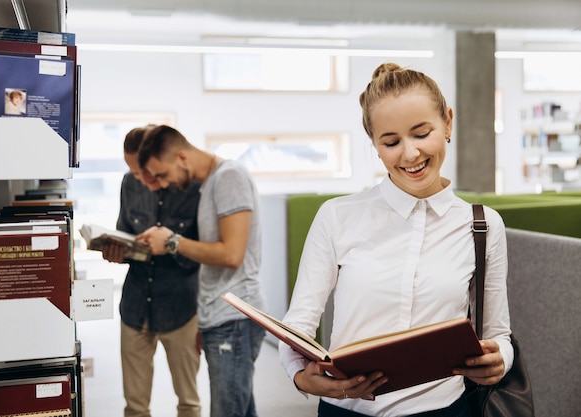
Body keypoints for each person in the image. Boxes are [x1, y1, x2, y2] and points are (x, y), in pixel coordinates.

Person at [278, 62, 514, 417]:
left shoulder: (482, 225)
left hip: (444, 410)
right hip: (348, 410)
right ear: (375, 144)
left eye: (421, 134)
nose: (410, 154)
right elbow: (298, 323)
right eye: (391, 141)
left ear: (448, 122)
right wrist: (300, 376)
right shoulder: (337, 216)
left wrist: (501, 360)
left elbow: (499, 335)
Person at [135, 125, 266, 417]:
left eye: (162, 174)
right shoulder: (210, 184)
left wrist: (171, 241)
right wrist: (204, 319)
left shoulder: (229, 177)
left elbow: (231, 254)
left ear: (181, 156)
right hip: (219, 319)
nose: (163, 184)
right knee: (241, 410)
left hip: (235, 318)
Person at [101, 125, 203, 417]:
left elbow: (206, 252)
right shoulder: (128, 184)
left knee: (189, 402)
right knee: (134, 406)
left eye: (145, 171)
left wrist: (170, 245)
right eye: (135, 173)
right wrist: (118, 252)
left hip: (181, 306)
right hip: (135, 305)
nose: (143, 180)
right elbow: (124, 233)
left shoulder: (195, 188)